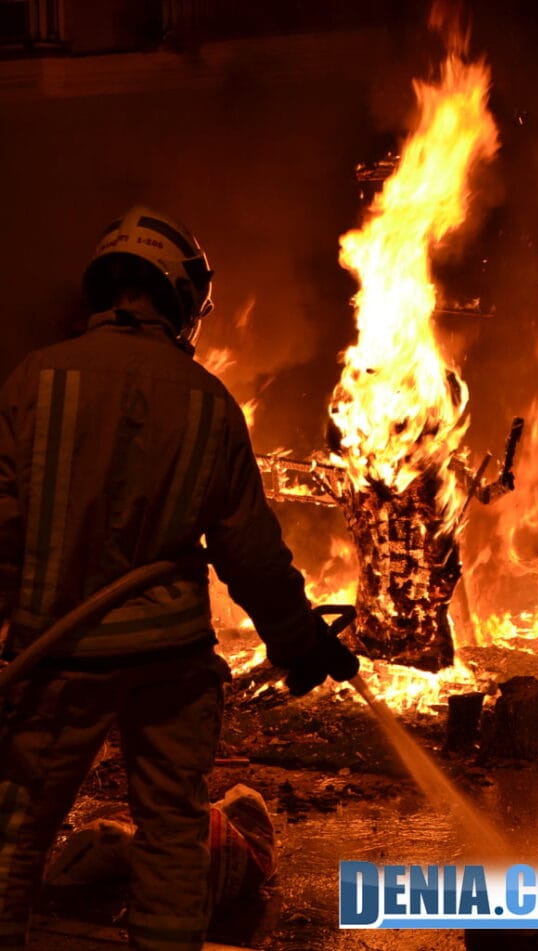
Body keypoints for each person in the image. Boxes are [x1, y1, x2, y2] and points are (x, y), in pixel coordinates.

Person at [0, 206, 358, 951]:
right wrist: (299, 643)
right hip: (169, 664)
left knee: (18, 831)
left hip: (59, 657)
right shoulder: (209, 403)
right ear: (181, 297)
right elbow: (250, 551)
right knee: (171, 840)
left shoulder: (35, 381)